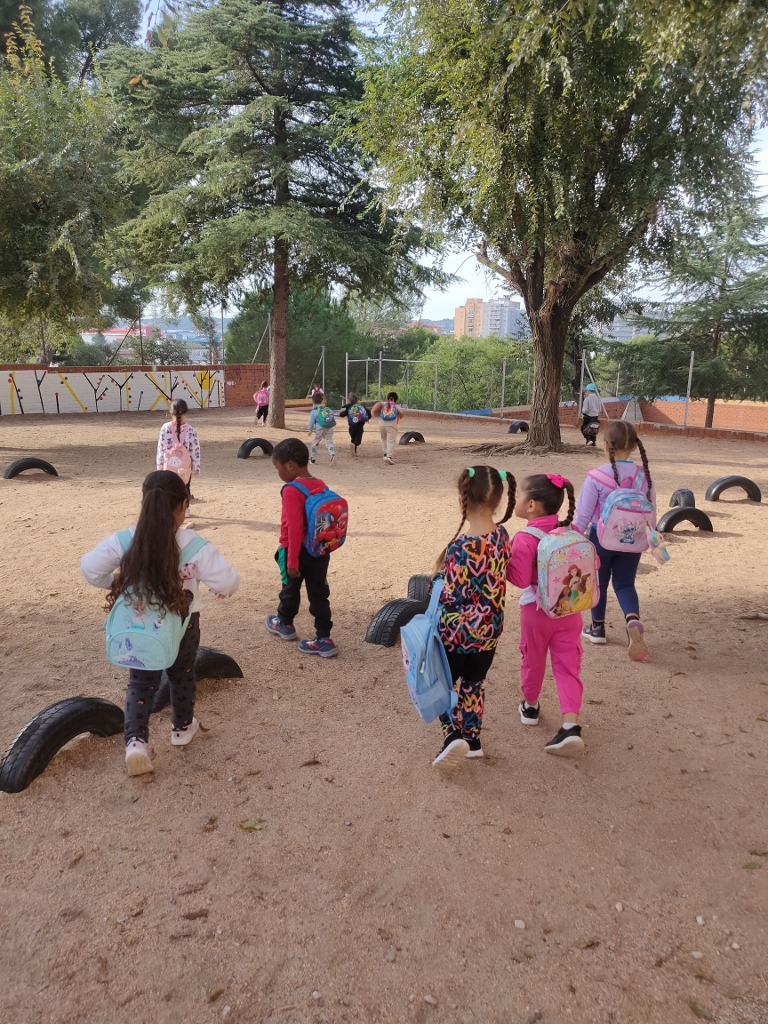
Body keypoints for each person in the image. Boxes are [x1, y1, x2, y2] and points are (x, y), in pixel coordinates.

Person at [80, 471, 240, 777]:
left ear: (144, 502)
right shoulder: (193, 544)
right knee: (183, 674)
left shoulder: (126, 540)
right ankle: (182, 728)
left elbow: (89, 567)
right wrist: (219, 587)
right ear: (183, 506)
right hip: (183, 625)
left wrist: (113, 580)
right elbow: (229, 580)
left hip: (139, 626)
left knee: (141, 682)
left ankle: (136, 743)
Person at [431, 465, 516, 768]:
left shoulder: (460, 547)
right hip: (489, 630)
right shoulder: (502, 536)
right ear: (498, 501)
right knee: (474, 684)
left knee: (444, 684)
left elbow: (452, 595)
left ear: (462, 498)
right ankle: (473, 740)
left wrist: (435, 583)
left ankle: (451, 734)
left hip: (457, 632)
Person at [507, 473, 586, 756]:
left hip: (536, 612)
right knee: (568, 666)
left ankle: (530, 707)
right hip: (569, 609)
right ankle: (570, 726)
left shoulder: (525, 537)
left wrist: (504, 560)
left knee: (533, 659)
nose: (515, 500)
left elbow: (519, 578)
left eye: (518, 496)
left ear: (531, 505)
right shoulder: (572, 530)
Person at [574, 420, 655, 661]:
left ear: (606, 445)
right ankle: (632, 620)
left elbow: (583, 514)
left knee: (598, 582)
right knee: (625, 584)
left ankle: (597, 627)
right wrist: (651, 536)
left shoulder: (597, 476)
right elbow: (651, 512)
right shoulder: (644, 476)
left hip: (600, 539)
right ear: (634, 446)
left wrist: (574, 536)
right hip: (633, 540)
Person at [265, 437, 338, 658]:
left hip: (294, 550)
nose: (277, 472)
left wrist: (292, 560)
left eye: (277, 467)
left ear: (290, 465)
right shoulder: (320, 483)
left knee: (289, 589)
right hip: (319, 549)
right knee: (319, 593)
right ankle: (324, 638)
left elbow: (295, 527)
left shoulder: (291, 489)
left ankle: (285, 624)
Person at [156, 399, 200, 498]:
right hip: (185, 466)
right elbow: (195, 450)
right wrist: (196, 467)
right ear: (186, 413)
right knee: (185, 484)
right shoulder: (191, 430)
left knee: (169, 486)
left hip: (169, 466)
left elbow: (161, 449)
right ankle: (185, 502)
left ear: (171, 413)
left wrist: (160, 466)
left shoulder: (165, 428)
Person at [371, 391, 402, 465]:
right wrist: (400, 417)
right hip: (391, 425)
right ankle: (389, 456)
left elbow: (378, 404)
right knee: (391, 440)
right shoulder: (396, 406)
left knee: (384, 438)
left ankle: (385, 453)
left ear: (387, 398)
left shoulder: (384, 404)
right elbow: (402, 413)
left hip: (382, 424)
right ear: (396, 399)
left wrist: (372, 411)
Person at [307, 392, 336, 467]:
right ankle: (332, 454)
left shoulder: (314, 411)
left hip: (320, 429)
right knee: (329, 442)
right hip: (329, 428)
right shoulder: (326, 409)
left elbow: (311, 423)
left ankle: (312, 458)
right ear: (322, 400)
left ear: (313, 401)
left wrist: (310, 431)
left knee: (315, 443)